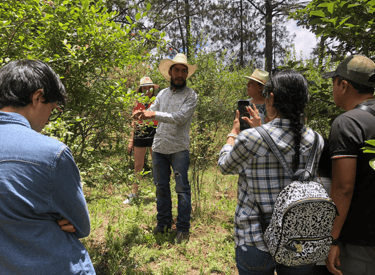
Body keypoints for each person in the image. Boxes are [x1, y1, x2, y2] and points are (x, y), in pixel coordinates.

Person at [218, 70, 324, 275]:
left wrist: (232, 136)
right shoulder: (316, 140)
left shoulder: (250, 138)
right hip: (299, 239)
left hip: (255, 238)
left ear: (272, 98)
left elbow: (225, 166)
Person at [0, 60, 95, 274]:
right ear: (38, 97)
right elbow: (80, 224)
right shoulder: (51, 153)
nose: (48, 120)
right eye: (51, 109)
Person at [132, 53, 197, 244]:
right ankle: (163, 223)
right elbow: (152, 111)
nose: (180, 74)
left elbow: (179, 118)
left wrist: (153, 113)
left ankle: (183, 228)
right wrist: (142, 113)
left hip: (179, 149)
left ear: (186, 74)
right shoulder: (162, 94)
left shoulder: (191, 96)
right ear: (170, 72)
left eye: (183, 71)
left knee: (182, 189)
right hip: (159, 147)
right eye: (176, 70)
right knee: (161, 188)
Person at [322, 55, 375, 275]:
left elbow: (343, 188)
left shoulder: (348, 123)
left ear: (343, 85)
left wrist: (332, 239)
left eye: (333, 82)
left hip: (360, 244)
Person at [124, 76, 159, 204]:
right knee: (138, 165)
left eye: (149, 87)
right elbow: (134, 121)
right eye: (144, 88)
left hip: (154, 130)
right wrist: (131, 140)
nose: (147, 90)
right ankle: (134, 194)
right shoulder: (137, 102)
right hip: (139, 132)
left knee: (157, 163)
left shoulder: (157, 101)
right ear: (141, 89)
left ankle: (159, 194)